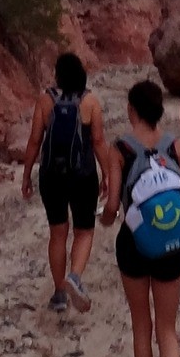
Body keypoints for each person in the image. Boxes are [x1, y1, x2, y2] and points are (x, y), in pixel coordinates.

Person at [102, 78, 180, 357]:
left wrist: (106, 219)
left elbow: (111, 204)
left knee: (142, 324)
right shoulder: (176, 145)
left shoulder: (119, 147)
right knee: (167, 327)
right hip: (171, 243)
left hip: (134, 242)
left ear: (131, 110)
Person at [21, 51, 111, 313]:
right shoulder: (90, 101)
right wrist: (106, 173)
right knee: (84, 230)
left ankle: (59, 293)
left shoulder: (46, 100)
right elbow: (98, 142)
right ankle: (75, 276)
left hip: (51, 175)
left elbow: (35, 140)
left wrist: (27, 174)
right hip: (83, 175)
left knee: (57, 232)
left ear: (58, 74)